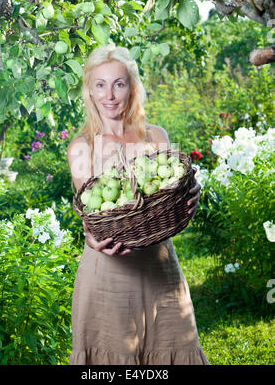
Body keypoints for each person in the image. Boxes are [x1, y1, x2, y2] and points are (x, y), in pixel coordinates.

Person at [67, 44, 209, 365]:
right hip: (107, 274)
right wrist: (92, 238)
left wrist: (191, 192)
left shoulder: (155, 138)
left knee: (174, 346)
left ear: (132, 87)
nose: (110, 95)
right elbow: (92, 218)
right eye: (100, 85)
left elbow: (170, 195)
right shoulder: (81, 148)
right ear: (89, 90)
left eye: (119, 83)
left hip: (160, 267)